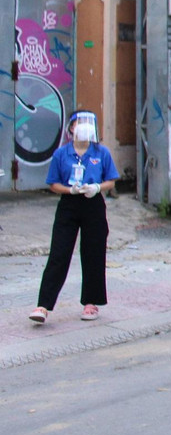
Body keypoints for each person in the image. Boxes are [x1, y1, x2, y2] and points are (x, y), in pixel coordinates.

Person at [29, 110, 118, 324]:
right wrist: (70, 190)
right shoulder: (62, 154)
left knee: (93, 253)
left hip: (93, 203)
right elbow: (53, 184)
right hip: (69, 203)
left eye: (89, 123)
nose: (84, 127)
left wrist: (97, 187)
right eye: (80, 123)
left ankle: (91, 302)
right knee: (59, 253)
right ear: (71, 128)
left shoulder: (101, 153)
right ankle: (43, 305)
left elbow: (111, 181)